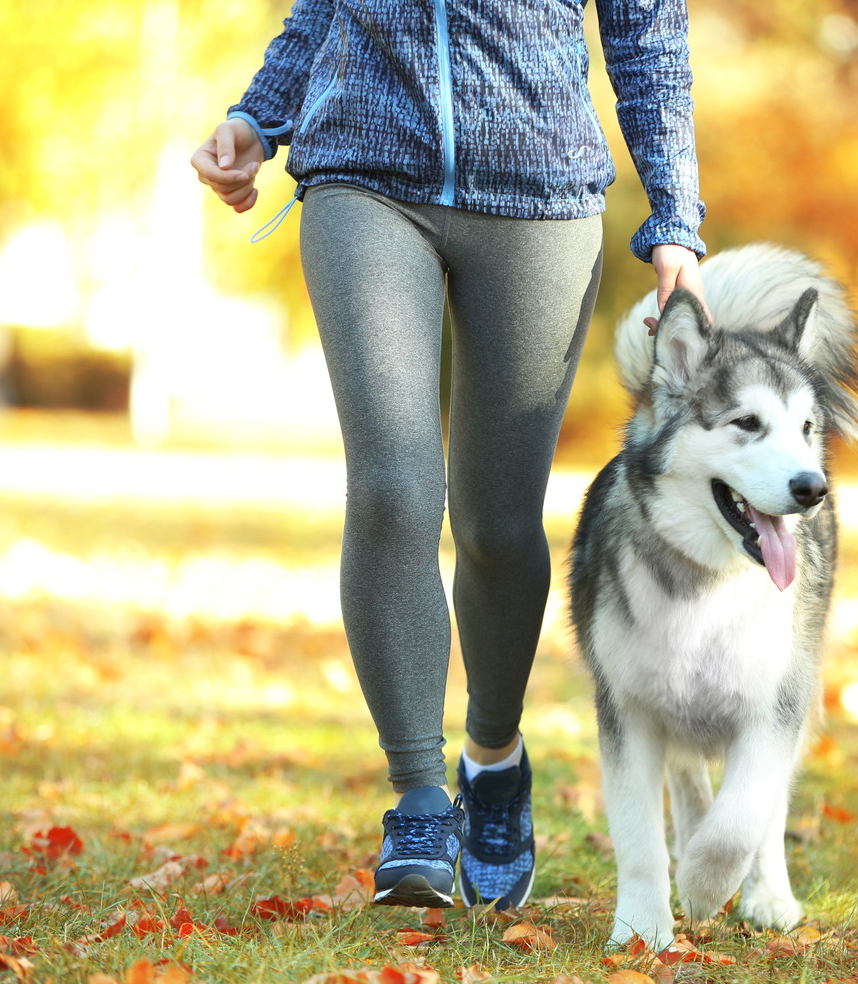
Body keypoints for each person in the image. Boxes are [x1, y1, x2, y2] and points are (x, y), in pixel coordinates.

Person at [191, 0, 707, 911]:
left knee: (500, 526)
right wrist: (257, 116)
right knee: (393, 488)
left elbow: (645, 25)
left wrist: (674, 207)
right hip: (364, 180)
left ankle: (494, 760)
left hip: (539, 196)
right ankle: (420, 798)